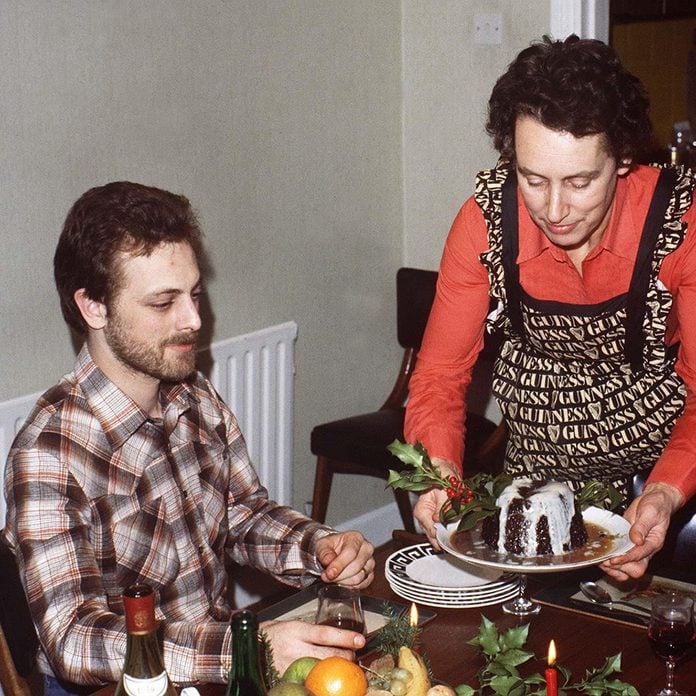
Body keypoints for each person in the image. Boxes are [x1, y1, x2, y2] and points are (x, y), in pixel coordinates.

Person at [2, 181, 375, 692]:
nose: (194, 320)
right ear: (92, 307)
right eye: (163, 303)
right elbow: (74, 637)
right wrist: (246, 647)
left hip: (210, 667)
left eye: (195, 294)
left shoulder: (193, 395)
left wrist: (321, 547)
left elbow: (241, 514)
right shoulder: (48, 453)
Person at [404, 35, 696, 582]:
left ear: (625, 158)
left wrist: (663, 491)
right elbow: (441, 375)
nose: (555, 210)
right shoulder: (486, 222)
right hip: (536, 484)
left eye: (580, 182)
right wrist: (439, 473)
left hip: (662, 476)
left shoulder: (680, 224)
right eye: (533, 179)